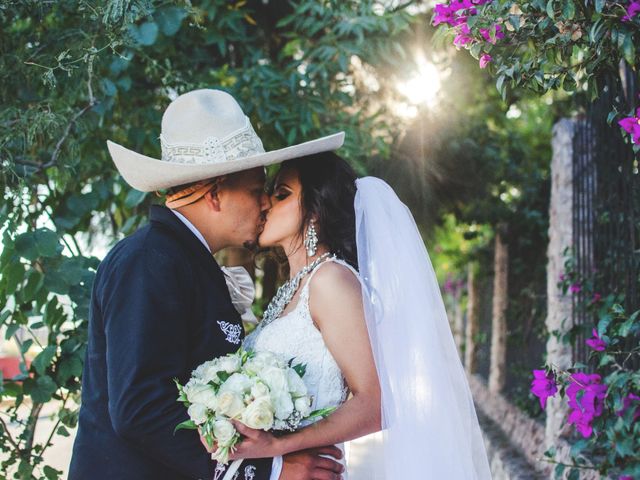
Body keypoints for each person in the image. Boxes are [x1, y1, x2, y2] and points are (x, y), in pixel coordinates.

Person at [68, 89, 347, 480]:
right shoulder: (150, 261)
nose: (265, 203)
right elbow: (140, 408)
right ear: (215, 194)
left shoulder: (188, 264)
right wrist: (267, 471)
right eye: (256, 190)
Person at [215, 153, 494, 479]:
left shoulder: (330, 280)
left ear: (315, 212)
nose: (265, 204)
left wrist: (280, 447)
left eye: (281, 194)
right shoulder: (294, 287)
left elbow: (376, 404)